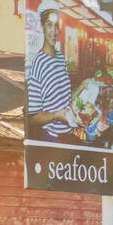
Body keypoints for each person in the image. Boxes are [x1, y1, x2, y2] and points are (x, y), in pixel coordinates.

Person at [26, 8, 75, 142]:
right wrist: (55, 116)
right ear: (42, 27)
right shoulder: (38, 62)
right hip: (52, 139)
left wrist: (83, 85)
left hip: (69, 135)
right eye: (49, 25)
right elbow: (33, 118)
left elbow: (65, 101)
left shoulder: (60, 57)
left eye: (56, 25)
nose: (54, 31)